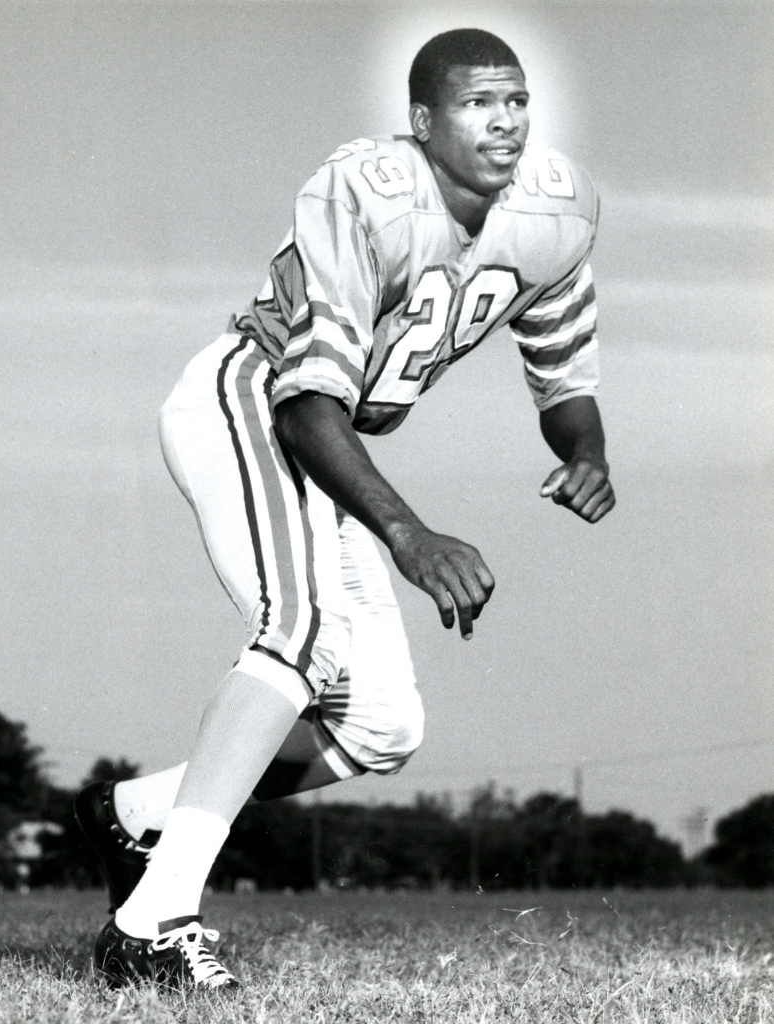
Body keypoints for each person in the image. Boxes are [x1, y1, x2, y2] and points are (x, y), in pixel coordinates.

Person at [75, 27, 615, 990]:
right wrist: (407, 533)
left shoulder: (556, 210)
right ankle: (153, 921)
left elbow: (561, 369)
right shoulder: (366, 188)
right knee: (303, 630)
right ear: (420, 121)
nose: (505, 121)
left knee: (380, 726)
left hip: (333, 446)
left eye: (518, 101)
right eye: (477, 103)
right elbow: (308, 399)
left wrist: (586, 449)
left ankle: (136, 815)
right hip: (254, 401)